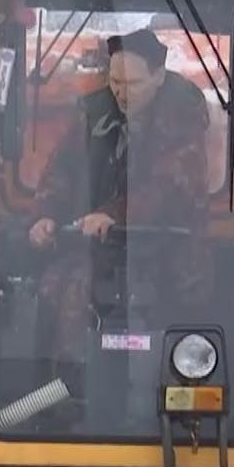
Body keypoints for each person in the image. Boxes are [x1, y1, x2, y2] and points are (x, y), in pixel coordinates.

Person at [25, 29, 212, 365]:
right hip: (99, 248)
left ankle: (93, 386)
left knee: (90, 294)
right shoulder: (95, 110)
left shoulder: (183, 114)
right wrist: (46, 214)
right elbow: (63, 166)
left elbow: (171, 184)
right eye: (115, 83)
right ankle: (52, 393)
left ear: (158, 76)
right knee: (49, 288)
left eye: (133, 84)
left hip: (166, 253)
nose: (122, 94)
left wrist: (114, 215)